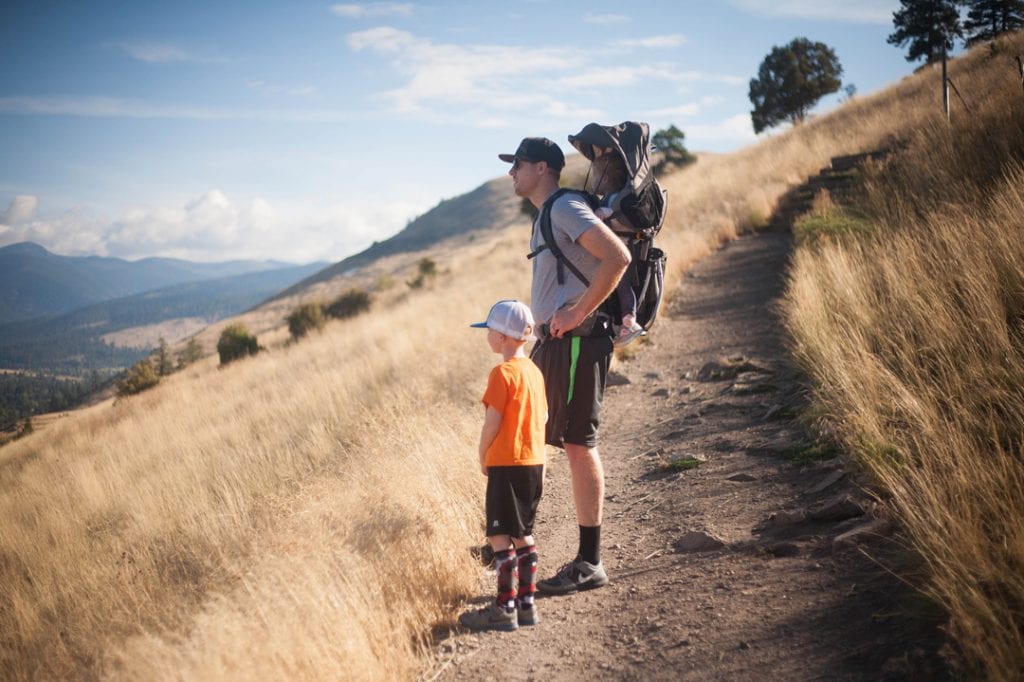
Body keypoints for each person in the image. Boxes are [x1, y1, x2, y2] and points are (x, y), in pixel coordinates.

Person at [498, 137, 630, 595]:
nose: (511, 173)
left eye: (516, 165)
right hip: (558, 344)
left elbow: (618, 257)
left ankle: (590, 562)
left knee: (577, 443)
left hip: (578, 342)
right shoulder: (546, 213)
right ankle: (514, 536)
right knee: (535, 433)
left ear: (541, 167)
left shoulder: (563, 209)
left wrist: (579, 314)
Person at [459, 299, 548, 632]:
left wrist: (483, 455)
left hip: (506, 463)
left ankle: (504, 609)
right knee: (523, 534)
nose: (488, 336)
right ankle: (526, 606)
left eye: (490, 330)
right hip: (533, 462)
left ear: (503, 337)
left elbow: (491, 424)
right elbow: (544, 418)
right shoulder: (534, 372)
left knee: (499, 537)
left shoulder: (501, 373)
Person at [589, 150, 646, 346]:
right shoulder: (617, 196)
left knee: (621, 286)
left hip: (619, 250)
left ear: (607, 176)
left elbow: (614, 214)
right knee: (620, 287)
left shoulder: (614, 199)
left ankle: (629, 322)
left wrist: (600, 214)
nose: (596, 179)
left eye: (598, 175)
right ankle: (622, 323)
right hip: (623, 248)